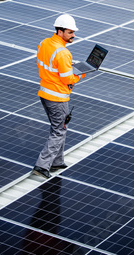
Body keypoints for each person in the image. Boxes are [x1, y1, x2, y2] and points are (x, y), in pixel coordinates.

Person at [32, 14, 86, 179]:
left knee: (59, 127)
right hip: (57, 97)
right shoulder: (63, 53)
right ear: (60, 31)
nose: (73, 35)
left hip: (45, 93)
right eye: (70, 32)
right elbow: (68, 78)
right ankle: (42, 166)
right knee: (59, 131)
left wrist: (67, 67)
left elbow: (45, 64)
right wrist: (82, 73)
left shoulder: (44, 43)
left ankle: (57, 162)